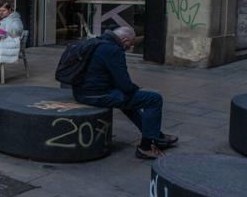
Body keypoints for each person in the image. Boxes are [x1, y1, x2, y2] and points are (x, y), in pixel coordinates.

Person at [72, 26, 178, 160]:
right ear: (123, 39)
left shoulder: (96, 42)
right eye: (131, 43)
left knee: (127, 100)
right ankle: (146, 147)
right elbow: (125, 85)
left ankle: (156, 136)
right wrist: (136, 89)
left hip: (81, 92)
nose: (131, 47)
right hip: (97, 95)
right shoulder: (113, 50)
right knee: (153, 99)